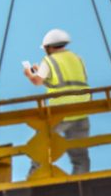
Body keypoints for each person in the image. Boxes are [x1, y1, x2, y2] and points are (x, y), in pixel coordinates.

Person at [22, 27, 91, 174]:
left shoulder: (49, 60)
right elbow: (69, 82)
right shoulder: (78, 59)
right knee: (80, 155)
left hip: (61, 112)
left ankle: (34, 179)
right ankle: (82, 183)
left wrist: (30, 73)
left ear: (48, 47)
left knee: (40, 147)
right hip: (81, 111)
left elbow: (37, 81)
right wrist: (41, 72)